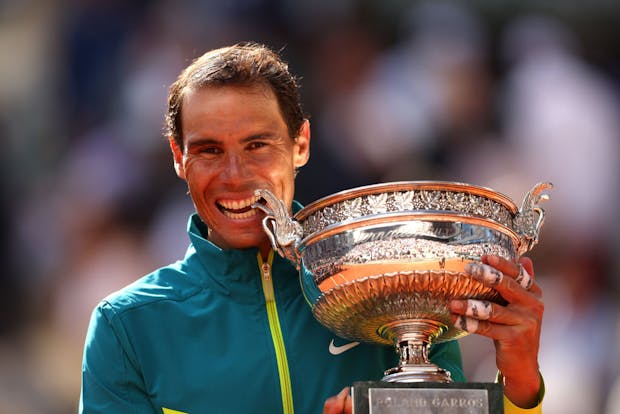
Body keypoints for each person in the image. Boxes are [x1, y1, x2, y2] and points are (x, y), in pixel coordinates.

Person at [79, 42, 544, 413]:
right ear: (179, 158)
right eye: (209, 151)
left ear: (300, 144)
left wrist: (522, 386)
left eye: (258, 145)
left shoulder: (393, 284)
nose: (235, 176)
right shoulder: (128, 327)